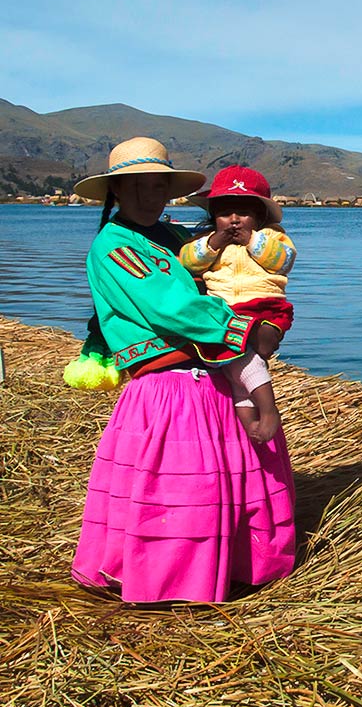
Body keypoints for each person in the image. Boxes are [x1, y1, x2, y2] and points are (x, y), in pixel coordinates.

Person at [70, 137, 295, 604]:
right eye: (139, 188)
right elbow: (171, 307)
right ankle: (173, 583)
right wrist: (247, 328)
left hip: (211, 376)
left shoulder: (174, 238)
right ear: (116, 192)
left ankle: (236, 567)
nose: (152, 197)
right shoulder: (115, 246)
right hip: (170, 389)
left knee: (232, 477)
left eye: (160, 187)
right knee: (180, 491)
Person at [180, 165, 297, 443]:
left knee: (246, 357)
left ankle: (268, 411)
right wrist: (212, 244)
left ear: (258, 215)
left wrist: (253, 241)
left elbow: (284, 261)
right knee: (234, 369)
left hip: (265, 307)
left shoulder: (271, 236)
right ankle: (251, 426)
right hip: (224, 311)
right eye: (224, 214)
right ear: (213, 216)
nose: (234, 221)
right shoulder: (205, 242)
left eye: (243, 213)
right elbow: (186, 260)